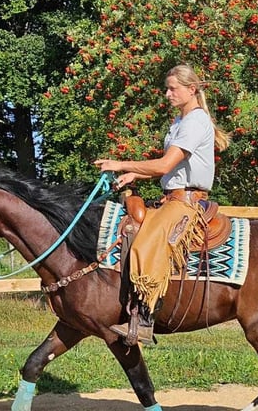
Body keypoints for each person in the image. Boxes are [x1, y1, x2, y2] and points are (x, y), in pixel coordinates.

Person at [94, 64, 231, 345]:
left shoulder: (195, 121)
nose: (167, 94)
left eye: (172, 89)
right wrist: (134, 174)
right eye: (167, 89)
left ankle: (144, 318)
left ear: (191, 90)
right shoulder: (180, 122)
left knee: (147, 244)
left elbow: (166, 164)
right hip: (172, 197)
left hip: (186, 202)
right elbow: (170, 169)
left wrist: (121, 163)